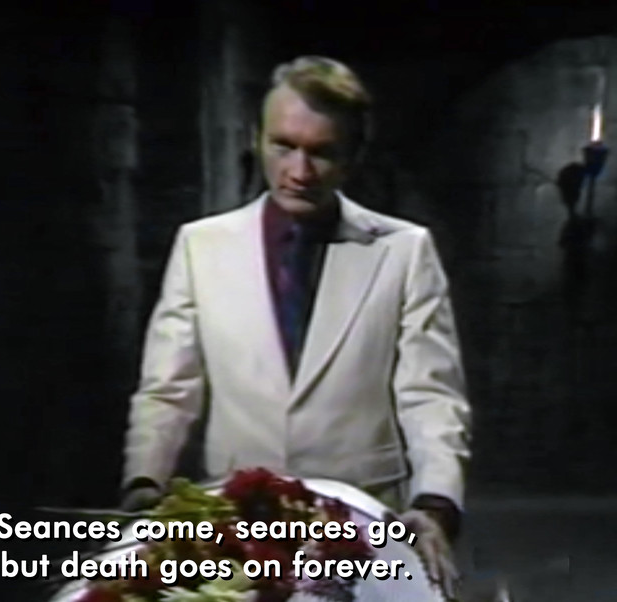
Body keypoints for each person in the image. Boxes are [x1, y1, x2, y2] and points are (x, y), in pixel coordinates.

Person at [121, 56, 471, 598]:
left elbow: (431, 396)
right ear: (256, 139)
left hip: (360, 530)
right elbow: (168, 390)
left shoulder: (403, 252)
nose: (299, 172)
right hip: (237, 528)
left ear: (352, 157)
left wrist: (435, 503)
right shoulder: (200, 246)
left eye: (321, 152)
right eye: (283, 146)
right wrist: (144, 484)